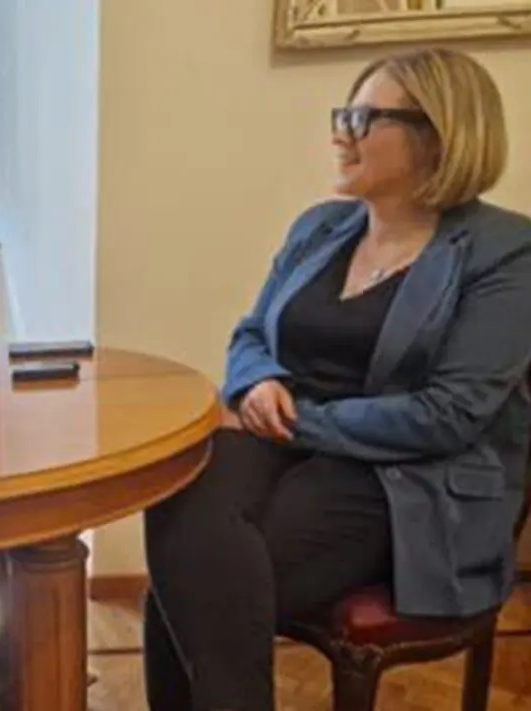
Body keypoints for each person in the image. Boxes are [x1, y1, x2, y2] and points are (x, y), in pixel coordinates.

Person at [142, 48, 531, 711]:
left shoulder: (507, 253)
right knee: (181, 496)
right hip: (289, 443)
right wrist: (256, 384)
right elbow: (252, 333)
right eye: (342, 115)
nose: (339, 135)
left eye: (362, 118)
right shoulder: (320, 226)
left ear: (438, 134)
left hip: (408, 478)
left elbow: (449, 414)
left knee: (191, 575)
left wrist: (297, 420)